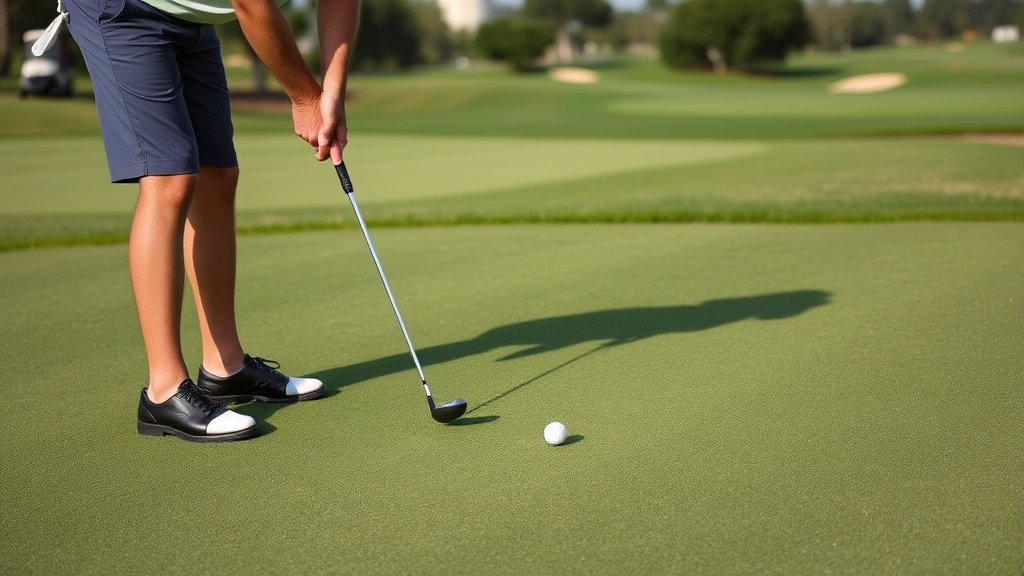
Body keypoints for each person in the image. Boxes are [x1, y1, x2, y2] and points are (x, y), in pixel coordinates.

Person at [53, 0, 360, 442]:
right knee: (170, 178)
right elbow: (250, 4)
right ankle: (163, 390)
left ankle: (224, 366)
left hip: (191, 19)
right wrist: (304, 96)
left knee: (218, 175)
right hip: (124, 9)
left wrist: (332, 91)